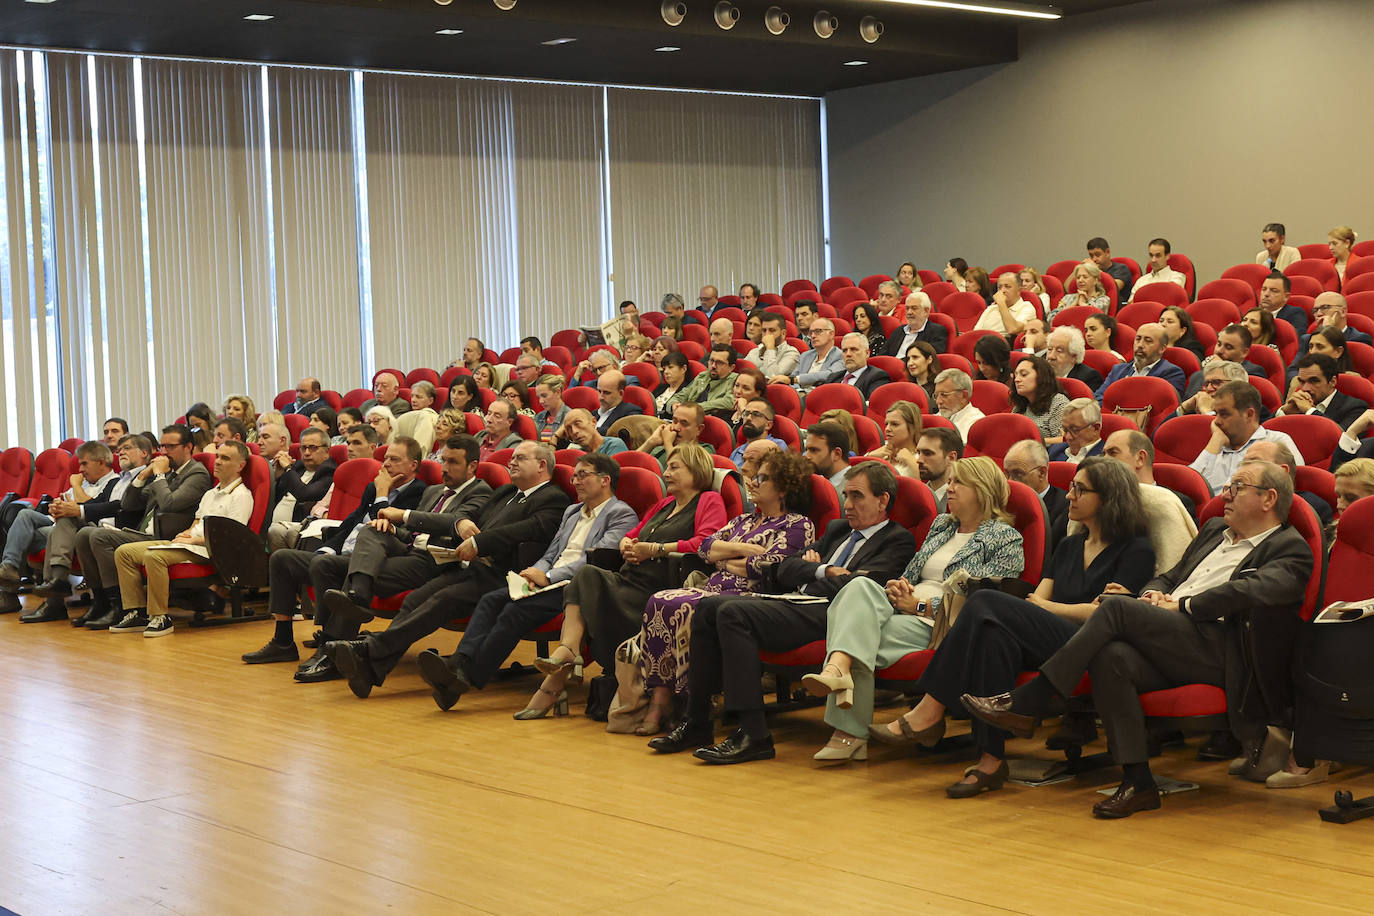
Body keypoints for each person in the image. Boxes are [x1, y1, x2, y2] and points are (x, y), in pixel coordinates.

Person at [963, 458, 1312, 818]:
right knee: (1113, 657)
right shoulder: (1212, 531)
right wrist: (1151, 595)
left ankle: (1033, 699)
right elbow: (1172, 574)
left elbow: (1251, 591)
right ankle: (1138, 782)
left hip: (1222, 648)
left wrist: (1183, 605)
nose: (1226, 493)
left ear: (1269, 499)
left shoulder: (1290, 548)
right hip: (1174, 636)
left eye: (1238, 486)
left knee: (1114, 608)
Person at [871, 459, 1153, 793]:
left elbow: (1104, 615)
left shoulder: (1136, 550)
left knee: (983, 601)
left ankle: (931, 708)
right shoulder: (1069, 545)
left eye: (1080, 489)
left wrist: (1049, 607)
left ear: (1108, 497)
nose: (1069, 496)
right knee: (992, 636)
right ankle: (990, 762)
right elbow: (1040, 598)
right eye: (1072, 487)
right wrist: (1055, 607)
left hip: (1089, 646)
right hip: (1052, 636)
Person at [648, 462, 916, 763]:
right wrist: (823, 569)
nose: (848, 505)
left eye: (857, 496)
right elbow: (784, 567)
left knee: (733, 614)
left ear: (883, 500)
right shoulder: (838, 529)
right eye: (846, 495)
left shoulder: (898, 539)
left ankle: (754, 733)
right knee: (708, 607)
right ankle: (697, 721)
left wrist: (811, 574)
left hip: (834, 614)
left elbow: (861, 585)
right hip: (795, 601)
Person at [801, 456, 1029, 765]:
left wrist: (920, 605)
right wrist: (900, 587)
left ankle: (849, 731)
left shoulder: (1005, 538)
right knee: (858, 587)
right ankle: (839, 671)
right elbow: (912, 573)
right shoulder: (942, 526)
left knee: (856, 636)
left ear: (982, 489)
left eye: (957, 482)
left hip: (941, 624)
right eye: (949, 481)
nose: (948, 488)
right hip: (900, 608)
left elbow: (986, 603)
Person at [320, 440, 570, 697]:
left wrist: (478, 542)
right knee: (417, 598)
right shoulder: (506, 492)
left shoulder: (553, 498)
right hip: (471, 566)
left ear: (541, 465)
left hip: (507, 575)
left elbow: (525, 530)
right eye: (512, 457)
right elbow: (469, 519)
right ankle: (371, 670)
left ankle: (369, 650)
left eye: (521, 458)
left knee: (444, 599)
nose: (512, 462)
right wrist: (461, 522)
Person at [413, 453, 640, 711]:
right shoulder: (572, 511)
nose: (574, 481)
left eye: (582, 475)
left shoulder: (621, 514)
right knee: (491, 600)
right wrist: (535, 571)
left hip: (577, 587)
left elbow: (595, 561)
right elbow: (552, 552)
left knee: (514, 611)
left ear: (604, 481)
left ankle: (466, 678)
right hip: (547, 580)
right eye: (574, 475)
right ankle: (458, 664)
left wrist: (549, 576)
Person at [525, 445, 726, 718]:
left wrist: (655, 549)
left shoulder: (709, 500)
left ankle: (558, 675)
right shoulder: (665, 504)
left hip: (663, 588)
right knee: (584, 576)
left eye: (675, 467)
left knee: (584, 581)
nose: (666, 473)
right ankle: (569, 650)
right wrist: (627, 543)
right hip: (630, 577)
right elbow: (633, 533)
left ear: (696, 469)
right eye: (667, 467)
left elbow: (706, 543)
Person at [636, 450, 815, 733]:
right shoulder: (741, 521)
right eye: (753, 477)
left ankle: (688, 703)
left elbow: (767, 567)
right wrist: (743, 550)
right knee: (661, 600)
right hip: (713, 590)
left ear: (783, 488)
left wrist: (726, 559)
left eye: (762, 478)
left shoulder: (797, 525)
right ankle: (661, 696)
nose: (753, 483)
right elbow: (706, 548)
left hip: (753, 598)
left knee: (684, 607)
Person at [257, 437, 442, 672]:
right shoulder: (373, 487)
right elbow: (351, 522)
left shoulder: (419, 492)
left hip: (374, 561)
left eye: (395, 460)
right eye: (385, 458)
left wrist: (383, 493)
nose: (386, 464)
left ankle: (329, 644)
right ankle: (282, 641)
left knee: (324, 566)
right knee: (282, 558)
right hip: (344, 551)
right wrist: (327, 548)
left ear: (413, 465)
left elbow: (381, 527)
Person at [109, 441, 255, 638]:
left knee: (155, 557)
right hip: (189, 544)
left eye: (225, 458)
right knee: (124, 552)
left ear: (240, 466)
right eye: (218, 456)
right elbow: (197, 522)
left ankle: (160, 617)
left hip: (209, 551)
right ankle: (136, 612)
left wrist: (193, 541)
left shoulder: (241, 496)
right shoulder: (211, 493)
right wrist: (186, 533)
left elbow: (231, 537)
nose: (217, 462)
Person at [77, 425, 213, 630]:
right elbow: (129, 504)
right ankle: (101, 600)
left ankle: (119, 606)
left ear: (189, 447)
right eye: (163, 446)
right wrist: (142, 476)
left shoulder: (196, 474)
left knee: (98, 536)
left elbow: (170, 504)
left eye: (171, 446)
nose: (164, 452)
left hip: (168, 536)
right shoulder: (168, 474)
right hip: (143, 533)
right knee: (83, 534)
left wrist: (157, 475)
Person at [0, 442, 120, 617]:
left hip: (86, 532)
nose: (80, 469)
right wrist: (55, 507)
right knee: (26, 515)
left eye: (84, 464)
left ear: (101, 462)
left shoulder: (113, 482)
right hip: (60, 527)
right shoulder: (85, 482)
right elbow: (65, 503)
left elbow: (89, 508)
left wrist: (75, 488)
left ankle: (52, 602)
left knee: (44, 533)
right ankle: (9, 568)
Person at [1097, 428, 1198, 568]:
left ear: (1140, 458)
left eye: (1113, 453)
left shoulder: (1177, 503)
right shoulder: (1098, 501)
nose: (1104, 460)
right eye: (1103, 454)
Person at [1190, 381, 1303, 494]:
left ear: (1249, 414)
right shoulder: (1215, 445)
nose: (1217, 421)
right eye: (1216, 413)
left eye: (1224, 414)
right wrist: (1216, 441)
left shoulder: (1276, 442)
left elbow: (1287, 491)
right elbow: (1187, 486)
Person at [1004, 439, 1068, 550]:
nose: (1010, 482)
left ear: (1042, 473)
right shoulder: (1002, 503)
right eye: (1007, 474)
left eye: (1018, 474)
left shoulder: (1065, 509)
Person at [1096, 322, 1186, 399]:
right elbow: (1099, 398)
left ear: (1162, 348)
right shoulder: (1118, 370)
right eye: (1138, 339)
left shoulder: (1172, 373)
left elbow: (1164, 407)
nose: (1140, 345)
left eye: (1148, 341)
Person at [1277, 353, 1367, 428]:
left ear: (1332, 381)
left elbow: (1344, 439)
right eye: (1302, 382)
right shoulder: (1297, 403)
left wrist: (1310, 411)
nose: (1305, 388)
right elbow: (1265, 431)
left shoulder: (1355, 407)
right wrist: (1284, 412)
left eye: (1313, 381)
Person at [1010, 355, 1070, 439]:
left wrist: (1033, 443)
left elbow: (1064, 439)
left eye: (1023, 374)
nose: (1017, 379)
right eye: (1016, 375)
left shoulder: (1058, 403)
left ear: (1041, 377)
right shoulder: (1019, 407)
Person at [639, 402, 714, 468]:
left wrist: (668, 443)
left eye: (684, 423)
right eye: (674, 421)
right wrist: (651, 441)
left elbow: (683, 474)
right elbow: (629, 462)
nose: (676, 428)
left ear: (699, 429)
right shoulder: (660, 447)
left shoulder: (705, 451)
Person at [669, 343, 737, 416]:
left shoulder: (735, 380)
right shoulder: (703, 376)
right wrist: (674, 404)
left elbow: (729, 402)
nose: (713, 366)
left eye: (719, 363)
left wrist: (696, 408)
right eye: (711, 361)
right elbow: (681, 395)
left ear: (731, 367)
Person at [782, 319, 843, 392]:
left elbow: (829, 375)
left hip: (821, 395)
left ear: (831, 334)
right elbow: (793, 377)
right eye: (811, 333)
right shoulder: (805, 355)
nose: (813, 336)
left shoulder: (840, 356)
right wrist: (799, 390)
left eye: (818, 331)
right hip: (799, 395)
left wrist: (796, 380)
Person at [866, 401, 923, 477]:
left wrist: (912, 463)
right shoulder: (880, 452)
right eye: (886, 424)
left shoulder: (921, 458)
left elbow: (927, 487)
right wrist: (869, 458)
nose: (887, 429)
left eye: (895, 424)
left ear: (912, 427)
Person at [1178, 358, 1248, 416]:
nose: (1208, 388)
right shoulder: (1197, 407)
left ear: (1237, 386)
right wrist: (1184, 408)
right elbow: (1168, 428)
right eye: (1206, 383)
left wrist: (1206, 411)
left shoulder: (1244, 413)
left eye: (1216, 382)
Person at [884, 293, 947, 357]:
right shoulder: (899, 330)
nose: (909, 312)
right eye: (907, 308)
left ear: (926, 311)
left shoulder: (936, 331)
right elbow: (883, 353)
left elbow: (930, 358)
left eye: (914, 308)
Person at [915, 427, 962, 512]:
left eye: (928, 453)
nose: (919, 460)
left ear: (951, 458)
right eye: (919, 453)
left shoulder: (963, 502)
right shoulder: (914, 495)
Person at [1126, 238, 1186, 302]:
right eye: (1151, 255)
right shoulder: (1141, 280)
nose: (1153, 260)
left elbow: (1171, 299)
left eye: (1158, 256)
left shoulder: (1177, 277)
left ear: (1167, 256)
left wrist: (1143, 295)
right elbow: (1131, 304)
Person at [729, 398, 786, 467]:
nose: (748, 418)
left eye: (756, 414)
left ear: (768, 425)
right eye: (746, 413)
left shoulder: (776, 446)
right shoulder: (736, 452)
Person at [804, 421, 852, 502]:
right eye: (806, 450)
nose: (806, 456)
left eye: (814, 450)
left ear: (837, 454)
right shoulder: (814, 483)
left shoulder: (855, 488)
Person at [933, 368, 984, 441]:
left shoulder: (975, 424)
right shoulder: (936, 418)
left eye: (944, 395)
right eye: (936, 395)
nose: (938, 401)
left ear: (964, 396)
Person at [1045, 326, 1103, 390]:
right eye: (1050, 349)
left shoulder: (1088, 378)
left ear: (1074, 357)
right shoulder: (1040, 372)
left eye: (1059, 351)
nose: (1051, 356)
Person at [1047, 398, 1104, 463]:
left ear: (1095, 428)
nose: (1068, 437)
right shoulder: (1055, 450)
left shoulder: (1105, 459)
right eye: (1065, 430)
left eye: (1075, 430)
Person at [747, 312, 800, 379]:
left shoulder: (792, 353)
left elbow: (772, 376)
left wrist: (770, 348)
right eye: (764, 330)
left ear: (783, 333)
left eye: (772, 330)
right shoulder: (755, 351)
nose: (767, 334)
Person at [835, 333, 888, 400]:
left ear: (867, 353)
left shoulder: (877, 377)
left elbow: (870, 405)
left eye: (854, 349)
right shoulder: (834, 377)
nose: (848, 354)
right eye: (844, 350)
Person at [394, 381, 439, 455]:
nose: (413, 400)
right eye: (412, 396)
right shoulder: (407, 417)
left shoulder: (427, 417)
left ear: (430, 401)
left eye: (419, 397)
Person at [1259, 271, 1309, 338]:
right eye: (1264, 289)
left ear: (1286, 296)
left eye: (1274, 290)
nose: (1266, 294)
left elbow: (1295, 340)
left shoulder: (1295, 313)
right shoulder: (1253, 313)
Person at [560, 408, 627, 456]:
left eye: (578, 423)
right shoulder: (577, 453)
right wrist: (555, 437)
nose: (574, 431)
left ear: (593, 422)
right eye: (569, 428)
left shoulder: (614, 445)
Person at [595, 369, 643, 434]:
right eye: (599, 391)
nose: (601, 397)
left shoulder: (631, 412)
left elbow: (620, 433)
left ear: (621, 393)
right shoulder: (594, 414)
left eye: (606, 393)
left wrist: (590, 430)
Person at [653, 351, 693, 419]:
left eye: (670, 367)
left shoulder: (687, 392)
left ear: (684, 369)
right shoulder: (661, 387)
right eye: (664, 368)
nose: (666, 372)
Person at [533, 377, 568, 445]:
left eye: (544, 396)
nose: (541, 401)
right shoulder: (538, 417)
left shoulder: (569, 418)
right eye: (539, 397)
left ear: (558, 392)